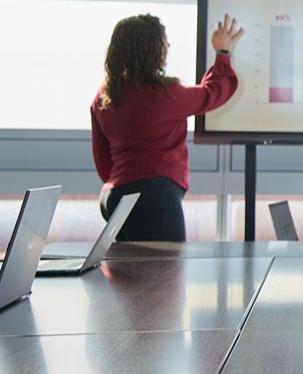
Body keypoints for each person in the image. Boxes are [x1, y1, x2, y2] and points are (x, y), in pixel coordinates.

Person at [90, 13, 244, 241]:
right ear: (151, 49)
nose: (168, 46)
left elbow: (104, 162)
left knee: (126, 275)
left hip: (114, 198)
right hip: (154, 199)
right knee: (167, 274)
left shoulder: (104, 98)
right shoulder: (162, 95)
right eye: (164, 41)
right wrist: (223, 53)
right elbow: (213, 92)